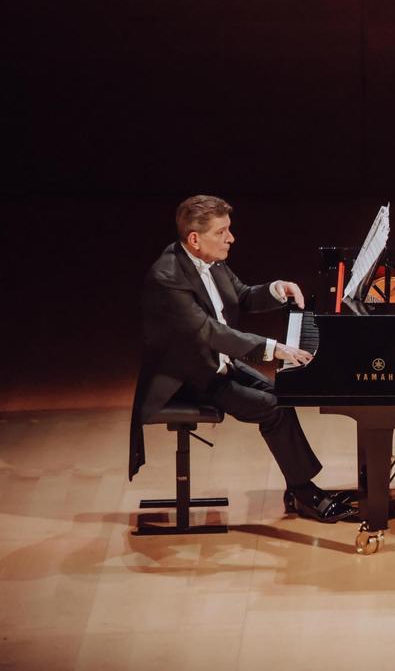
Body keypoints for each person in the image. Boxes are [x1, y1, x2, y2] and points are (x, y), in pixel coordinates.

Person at [128, 195, 353, 523]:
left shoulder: (210, 261)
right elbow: (209, 332)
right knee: (272, 408)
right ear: (195, 238)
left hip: (213, 364)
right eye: (221, 232)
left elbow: (242, 296)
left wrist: (277, 289)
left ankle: (299, 488)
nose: (230, 238)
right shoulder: (167, 278)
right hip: (186, 379)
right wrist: (273, 348)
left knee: (282, 395)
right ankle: (305, 493)